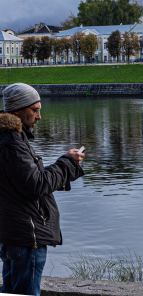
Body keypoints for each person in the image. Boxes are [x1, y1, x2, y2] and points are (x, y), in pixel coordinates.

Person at [0, 84, 83, 296]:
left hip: (14, 235)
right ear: (18, 111)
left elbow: (25, 182)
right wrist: (67, 163)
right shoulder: (12, 142)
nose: (39, 116)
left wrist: (64, 167)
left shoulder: (9, 137)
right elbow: (36, 185)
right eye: (35, 110)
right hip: (26, 237)